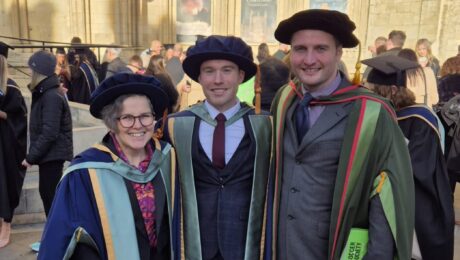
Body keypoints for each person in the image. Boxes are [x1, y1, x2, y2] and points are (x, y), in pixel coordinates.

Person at [265, 9, 414, 259]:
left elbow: (387, 194)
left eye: (320, 49)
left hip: (337, 247)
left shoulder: (372, 113)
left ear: (338, 52)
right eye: (300, 49)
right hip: (281, 245)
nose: (309, 60)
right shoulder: (285, 98)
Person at [38, 73, 175, 259]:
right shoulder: (84, 173)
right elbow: (59, 240)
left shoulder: (169, 158)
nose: (138, 125)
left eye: (145, 116)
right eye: (127, 117)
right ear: (112, 124)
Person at [161, 35, 272, 260]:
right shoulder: (176, 125)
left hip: (246, 243)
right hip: (195, 244)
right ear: (199, 77)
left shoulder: (265, 125)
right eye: (209, 71)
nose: (217, 80)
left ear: (241, 76)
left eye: (227, 70)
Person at [363, 54, 454, 260]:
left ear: (392, 91)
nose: (369, 95)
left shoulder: (420, 119)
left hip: (418, 202)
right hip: (384, 198)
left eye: (373, 90)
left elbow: (417, 167)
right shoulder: (382, 115)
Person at [21, 50, 73, 220]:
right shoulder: (47, 92)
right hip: (49, 156)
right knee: (49, 197)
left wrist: (30, 157)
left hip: (52, 156)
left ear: (39, 72)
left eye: (32, 70)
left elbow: (49, 132)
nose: (30, 73)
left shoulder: (51, 95)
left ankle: (56, 242)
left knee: (51, 199)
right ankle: (52, 239)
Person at [0, 43, 27, 248]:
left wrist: (1, 115)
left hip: (6, 147)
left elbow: (19, 119)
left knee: (5, 184)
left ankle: (6, 226)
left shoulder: (10, 87)